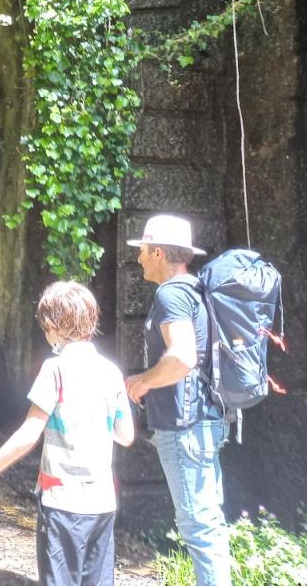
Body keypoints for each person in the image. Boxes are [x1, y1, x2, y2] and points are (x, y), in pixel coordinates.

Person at [0, 281, 134, 586]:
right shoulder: (110, 372)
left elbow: (31, 432)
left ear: (55, 327)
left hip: (63, 503)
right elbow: (126, 435)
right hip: (102, 503)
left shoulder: (55, 369)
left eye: (46, 327)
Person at [124, 214, 230, 586]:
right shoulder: (194, 290)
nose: (138, 259)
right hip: (201, 422)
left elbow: (183, 357)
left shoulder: (171, 293)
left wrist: (141, 382)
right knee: (208, 523)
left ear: (157, 252)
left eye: (142, 252)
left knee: (199, 527)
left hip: (185, 427)